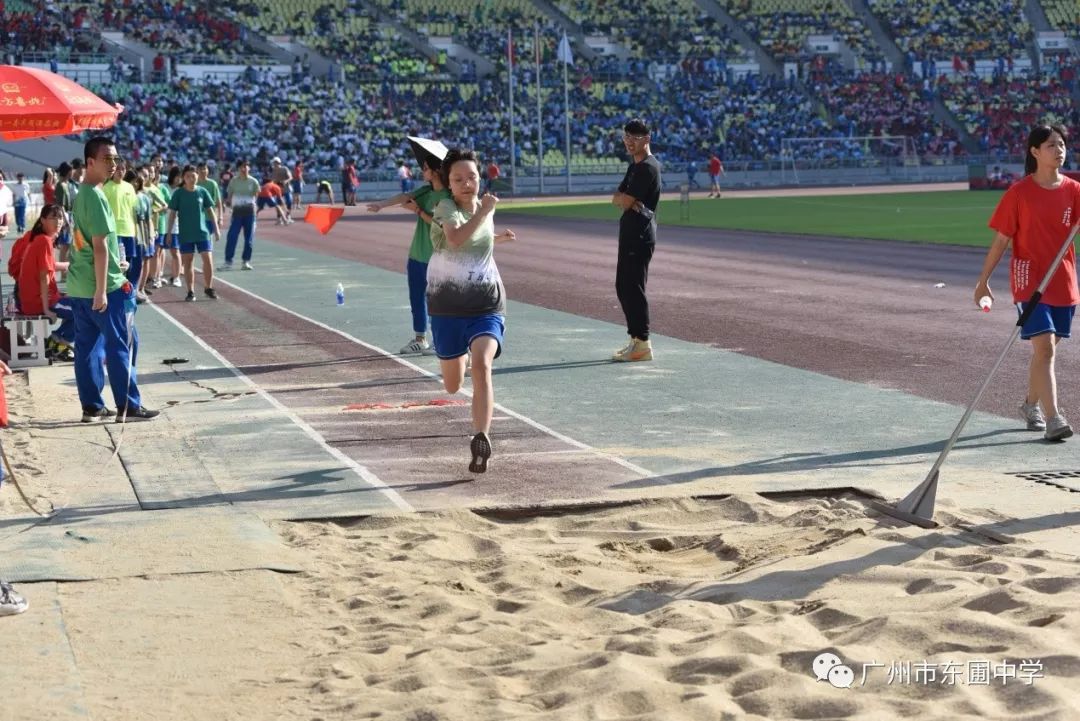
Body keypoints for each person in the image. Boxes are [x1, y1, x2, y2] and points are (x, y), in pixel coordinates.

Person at [976, 123, 1080, 442]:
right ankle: (1054, 418)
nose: (1059, 149)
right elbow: (1001, 241)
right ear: (1034, 151)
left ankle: (1029, 405)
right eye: (1051, 145)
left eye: (1061, 144)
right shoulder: (1019, 193)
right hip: (1029, 279)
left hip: (1063, 280)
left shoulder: (1074, 191)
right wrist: (984, 281)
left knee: (1045, 352)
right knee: (1045, 348)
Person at [428, 148, 516, 474]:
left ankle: (482, 436)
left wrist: (498, 238)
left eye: (472, 177)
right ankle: (458, 360)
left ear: (481, 177)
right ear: (448, 185)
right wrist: (485, 214)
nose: (467, 184)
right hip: (447, 308)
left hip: (486, 304)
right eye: (458, 179)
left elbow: (478, 238)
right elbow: (454, 239)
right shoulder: (445, 208)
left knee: (482, 366)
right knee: (452, 385)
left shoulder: (484, 206)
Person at [69, 137, 158, 423]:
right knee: (122, 345)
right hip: (103, 288)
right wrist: (101, 290)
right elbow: (97, 246)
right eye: (107, 158)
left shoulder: (83, 193)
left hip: (81, 285)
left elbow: (87, 242)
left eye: (116, 158)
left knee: (87, 350)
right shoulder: (96, 197)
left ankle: (92, 407)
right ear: (90, 162)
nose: (114, 164)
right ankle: (128, 405)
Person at [367, 151, 451, 355]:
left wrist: (419, 212)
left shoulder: (449, 196)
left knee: (438, 301)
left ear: (436, 170)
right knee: (417, 298)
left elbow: (443, 226)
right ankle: (420, 339)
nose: (422, 172)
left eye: (425, 168)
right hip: (417, 255)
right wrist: (381, 205)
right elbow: (404, 197)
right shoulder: (425, 192)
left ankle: (441, 340)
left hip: (437, 258)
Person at [610, 118, 662, 362]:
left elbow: (625, 200)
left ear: (647, 139)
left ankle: (643, 342)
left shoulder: (648, 168)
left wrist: (625, 199)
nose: (629, 142)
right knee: (623, 286)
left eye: (635, 138)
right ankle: (635, 339)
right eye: (627, 137)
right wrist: (625, 199)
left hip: (640, 233)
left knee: (634, 287)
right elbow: (617, 198)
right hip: (630, 231)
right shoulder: (634, 167)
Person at [16, 204, 75, 361]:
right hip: (39, 301)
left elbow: (48, 267)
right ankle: (58, 343)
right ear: (42, 220)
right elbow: (44, 277)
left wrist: (70, 266)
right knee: (87, 311)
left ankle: (55, 341)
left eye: (60, 217)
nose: (58, 221)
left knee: (79, 304)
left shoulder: (41, 239)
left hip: (33, 299)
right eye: (53, 218)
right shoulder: (44, 241)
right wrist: (46, 310)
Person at [167, 165, 218, 302]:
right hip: (186, 233)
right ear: (184, 178)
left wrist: (216, 228)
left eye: (193, 176)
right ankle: (190, 291)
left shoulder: (202, 192)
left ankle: (209, 287)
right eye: (188, 176)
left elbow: (210, 210)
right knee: (188, 261)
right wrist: (169, 232)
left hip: (202, 232)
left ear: (197, 176)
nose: (191, 179)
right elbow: (172, 214)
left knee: (208, 258)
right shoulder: (178, 193)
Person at [102, 159, 140, 285]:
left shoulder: (129, 187)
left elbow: (134, 210)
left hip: (129, 231)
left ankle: (126, 291)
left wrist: (136, 230)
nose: (120, 171)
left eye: (123, 169)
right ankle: (115, 289)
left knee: (128, 263)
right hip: (114, 232)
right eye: (117, 169)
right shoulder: (106, 188)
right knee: (116, 264)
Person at [222, 159, 260, 271]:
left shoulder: (254, 182)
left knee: (249, 238)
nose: (244, 169)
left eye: (246, 167)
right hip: (237, 214)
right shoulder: (233, 181)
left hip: (249, 214)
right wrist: (228, 204)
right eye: (242, 167)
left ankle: (246, 261)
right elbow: (229, 196)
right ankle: (228, 262)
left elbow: (255, 197)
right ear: (238, 169)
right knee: (232, 237)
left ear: (249, 168)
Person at [196, 161, 224, 243]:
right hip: (196, 218)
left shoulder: (212, 184)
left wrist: (220, 217)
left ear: (208, 170)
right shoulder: (194, 183)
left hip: (209, 217)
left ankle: (208, 254)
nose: (203, 171)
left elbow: (218, 202)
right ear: (197, 170)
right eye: (200, 169)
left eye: (204, 169)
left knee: (207, 241)